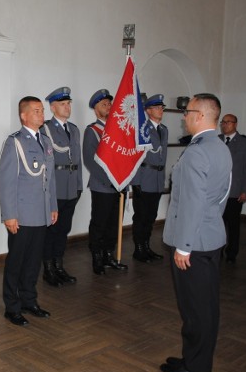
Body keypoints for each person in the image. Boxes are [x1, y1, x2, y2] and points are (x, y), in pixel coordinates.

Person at [161, 93, 232, 372]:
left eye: (187, 111)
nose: (183, 116)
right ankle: (194, 357)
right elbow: (220, 196)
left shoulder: (197, 152)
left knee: (195, 308)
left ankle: (197, 366)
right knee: (205, 305)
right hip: (211, 236)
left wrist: (184, 247)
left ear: (201, 116)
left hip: (194, 243)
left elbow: (191, 202)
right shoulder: (219, 147)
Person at [0, 96, 57, 326]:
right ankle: (12, 307)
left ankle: (29, 301)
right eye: (36, 111)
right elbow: (5, 182)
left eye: (42, 111)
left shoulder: (46, 142)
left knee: (33, 262)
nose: (41, 115)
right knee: (16, 262)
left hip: (41, 213)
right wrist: (9, 214)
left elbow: (50, 179)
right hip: (21, 215)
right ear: (24, 115)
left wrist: (52, 206)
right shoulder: (14, 142)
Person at [40, 87, 82, 286]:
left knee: (64, 229)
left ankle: (59, 266)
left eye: (69, 103)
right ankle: (48, 269)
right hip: (55, 188)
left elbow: (78, 161)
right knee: (51, 231)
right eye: (63, 104)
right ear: (52, 107)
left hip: (71, 188)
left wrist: (79, 186)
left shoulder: (74, 129)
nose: (67, 107)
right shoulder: (45, 129)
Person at [82, 89, 128, 275]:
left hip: (120, 185)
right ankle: (97, 257)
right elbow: (89, 161)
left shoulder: (120, 130)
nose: (108, 107)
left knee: (114, 224)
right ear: (95, 109)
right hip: (103, 186)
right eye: (104, 104)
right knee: (100, 223)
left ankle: (110, 255)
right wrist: (110, 181)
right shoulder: (92, 131)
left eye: (109, 103)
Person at [130, 94, 168, 263]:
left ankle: (146, 246)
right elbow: (135, 157)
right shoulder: (142, 129)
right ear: (148, 110)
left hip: (158, 179)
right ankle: (138, 249)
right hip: (144, 179)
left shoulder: (163, 129)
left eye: (162, 107)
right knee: (141, 216)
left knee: (151, 216)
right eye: (157, 107)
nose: (161, 110)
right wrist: (136, 182)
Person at [219, 113, 246, 264]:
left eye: (229, 122)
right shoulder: (217, 140)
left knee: (233, 224)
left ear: (235, 124)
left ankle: (232, 253)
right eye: (223, 122)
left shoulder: (245, 143)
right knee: (218, 224)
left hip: (235, 191)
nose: (225, 124)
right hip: (218, 192)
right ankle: (217, 250)